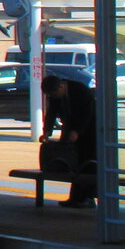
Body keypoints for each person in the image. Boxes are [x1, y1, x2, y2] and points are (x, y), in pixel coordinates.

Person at [41, 73, 97, 208]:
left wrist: (77, 131)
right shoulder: (55, 95)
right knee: (73, 164)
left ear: (61, 87)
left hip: (90, 131)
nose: (53, 98)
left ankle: (88, 197)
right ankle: (75, 197)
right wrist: (47, 131)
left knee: (88, 164)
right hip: (71, 131)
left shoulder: (80, 90)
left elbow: (87, 113)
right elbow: (51, 113)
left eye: (53, 94)